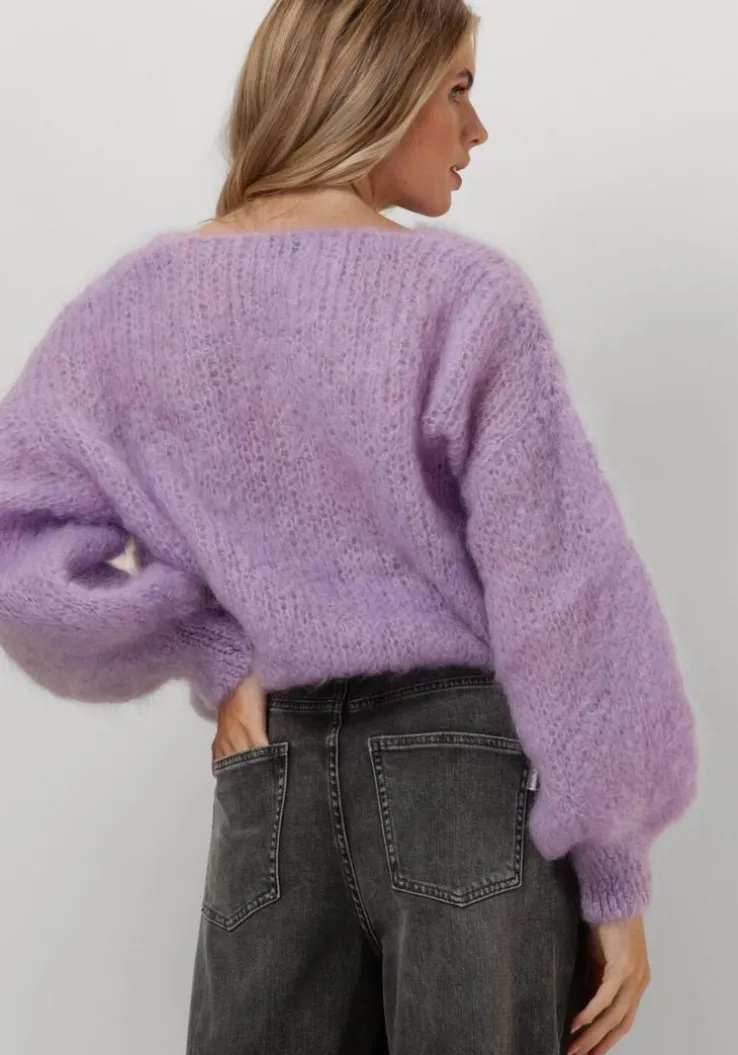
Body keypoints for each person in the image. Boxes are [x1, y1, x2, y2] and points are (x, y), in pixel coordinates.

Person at [0, 1, 698, 1053]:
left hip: (270, 778)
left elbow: (16, 540)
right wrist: (613, 866)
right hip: (465, 785)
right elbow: (561, 592)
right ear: (378, 86)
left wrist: (217, 649)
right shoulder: (465, 298)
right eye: (457, 89)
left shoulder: (138, 306)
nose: (477, 128)